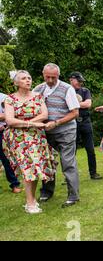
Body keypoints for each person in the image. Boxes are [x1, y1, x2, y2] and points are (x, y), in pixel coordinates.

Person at [3, 71, 57, 213]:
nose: (27, 80)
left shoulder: (38, 96)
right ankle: (30, 203)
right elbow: (9, 120)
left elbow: (44, 114)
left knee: (36, 167)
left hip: (36, 136)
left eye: (29, 78)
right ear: (16, 83)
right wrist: (30, 124)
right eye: (23, 78)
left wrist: (29, 123)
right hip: (18, 138)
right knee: (28, 167)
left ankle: (32, 199)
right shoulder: (10, 99)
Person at [34, 63, 81, 208]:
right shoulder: (38, 89)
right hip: (45, 133)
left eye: (53, 77)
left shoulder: (67, 89)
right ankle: (47, 192)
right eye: (47, 77)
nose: (49, 80)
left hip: (66, 131)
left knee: (67, 162)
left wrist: (56, 122)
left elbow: (75, 113)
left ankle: (73, 196)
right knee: (47, 162)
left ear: (58, 76)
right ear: (43, 74)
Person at [69, 72, 102, 180]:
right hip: (72, 123)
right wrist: (79, 104)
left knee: (90, 149)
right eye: (78, 80)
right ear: (71, 80)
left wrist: (73, 104)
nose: (80, 83)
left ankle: (93, 173)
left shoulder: (85, 91)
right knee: (71, 151)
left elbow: (88, 104)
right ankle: (69, 177)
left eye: (81, 81)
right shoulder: (67, 91)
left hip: (85, 122)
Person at [0, 92, 22, 194]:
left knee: (6, 158)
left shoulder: (4, 97)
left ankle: (14, 184)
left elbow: (12, 114)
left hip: (2, 131)